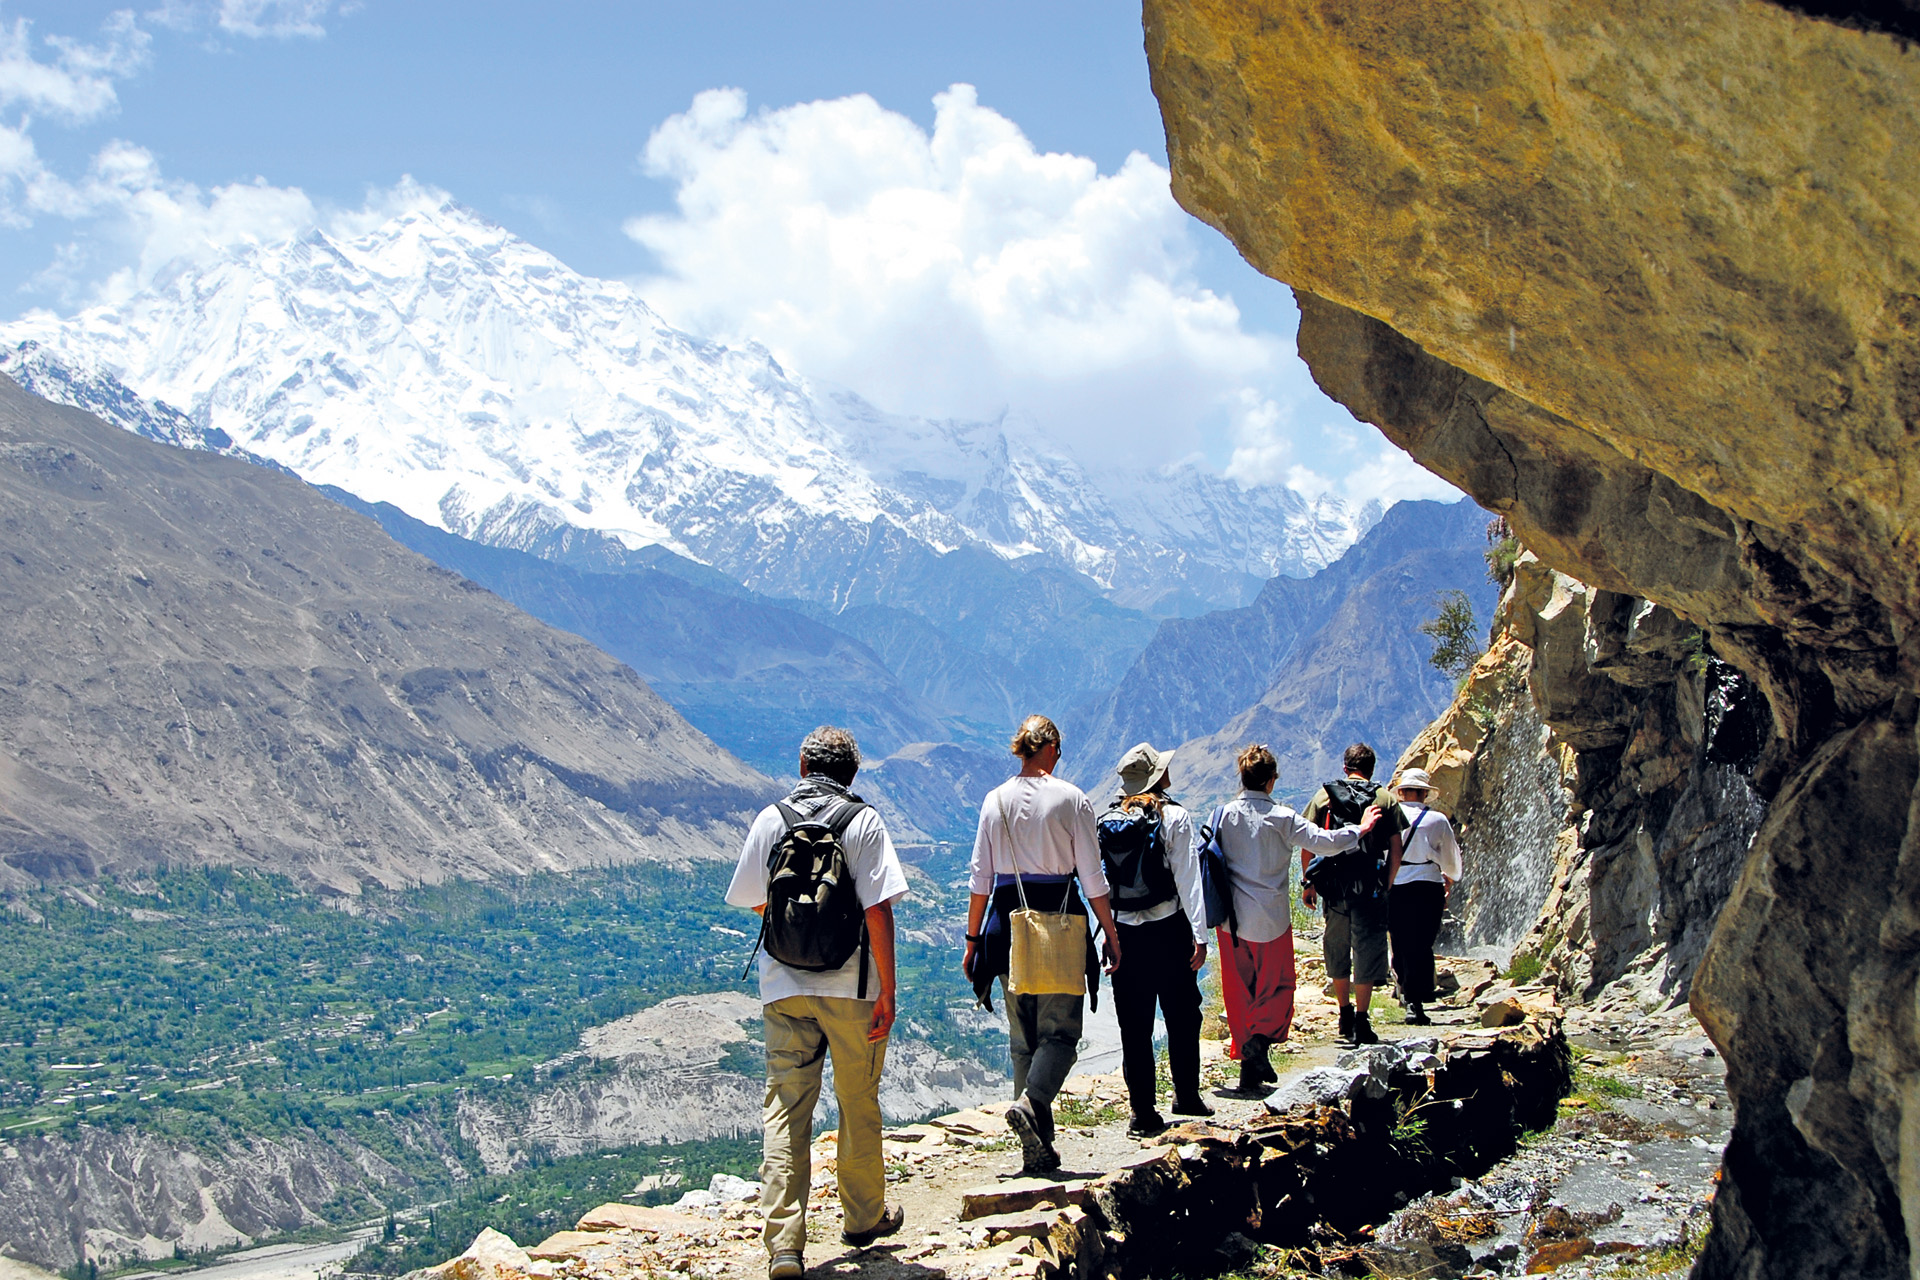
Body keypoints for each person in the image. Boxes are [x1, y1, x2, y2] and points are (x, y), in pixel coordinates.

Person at [726, 727, 907, 1280]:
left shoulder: (770, 819)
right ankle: (862, 1219)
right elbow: (878, 909)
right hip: (852, 988)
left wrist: (794, 939)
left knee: (785, 1108)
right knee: (857, 1103)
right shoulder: (863, 821)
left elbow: (754, 898)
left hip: (784, 988)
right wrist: (888, 989)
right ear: (852, 772)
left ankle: (784, 1244)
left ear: (803, 763)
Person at [963, 714, 1123, 1175]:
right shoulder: (1072, 799)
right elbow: (1092, 877)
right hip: (1061, 923)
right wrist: (1110, 933)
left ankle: (1038, 1146)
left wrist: (972, 940)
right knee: (1062, 1035)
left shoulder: (995, 801)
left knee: (1023, 1039)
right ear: (1050, 747)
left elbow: (980, 879)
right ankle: (1032, 1104)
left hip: (1009, 925)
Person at [1212, 744, 1384, 1092]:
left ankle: (1249, 1067)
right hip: (1271, 919)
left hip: (1230, 923)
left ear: (1242, 778)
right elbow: (1326, 841)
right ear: (1272, 782)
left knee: (1241, 993)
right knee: (1277, 988)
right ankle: (1259, 1045)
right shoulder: (1282, 817)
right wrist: (1362, 829)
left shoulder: (1222, 816)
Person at [1103, 743, 1210, 1135]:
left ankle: (1142, 1111)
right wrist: (1200, 935)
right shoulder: (1175, 817)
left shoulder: (1110, 820)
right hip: (1169, 929)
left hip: (1125, 935)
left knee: (1134, 1024)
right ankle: (1186, 1094)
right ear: (1159, 777)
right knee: (1183, 1013)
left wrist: (1108, 933)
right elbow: (1188, 880)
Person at [1302, 743, 1405, 1045]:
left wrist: (1309, 881)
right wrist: (1388, 880)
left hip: (1334, 888)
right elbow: (1396, 846)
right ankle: (1362, 1018)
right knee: (1368, 950)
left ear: (1345, 767)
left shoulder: (1325, 796)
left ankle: (1343, 1012)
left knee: (1337, 947)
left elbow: (1309, 842)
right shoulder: (1384, 797)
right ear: (1371, 769)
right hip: (1370, 888)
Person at [1386, 767, 1462, 1026]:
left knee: (1400, 939)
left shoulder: (1390, 816)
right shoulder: (1437, 820)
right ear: (1423, 793)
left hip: (1397, 883)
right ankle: (1418, 998)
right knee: (1422, 941)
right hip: (1429, 884)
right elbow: (1451, 858)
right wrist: (1449, 877)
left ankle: (1407, 995)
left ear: (1403, 791)